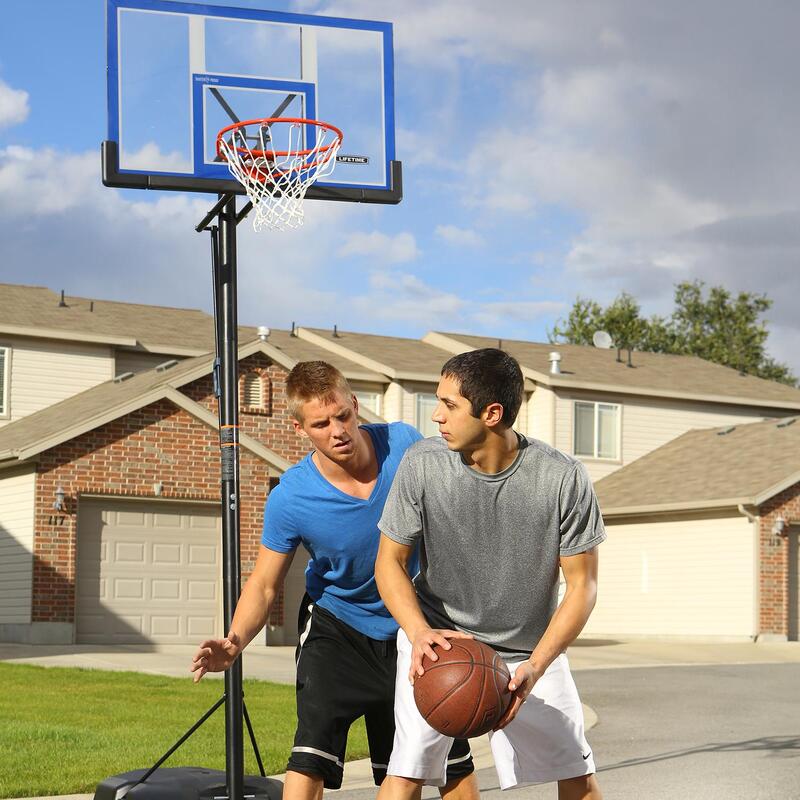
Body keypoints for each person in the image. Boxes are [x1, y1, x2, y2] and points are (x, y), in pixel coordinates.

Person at [190, 361, 477, 800]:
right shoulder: (291, 496)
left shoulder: (404, 445)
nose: (337, 430)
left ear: (356, 406)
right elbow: (265, 583)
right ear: (300, 428)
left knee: (441, 762)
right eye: (321, 423)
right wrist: (234, 641)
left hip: (415, 625)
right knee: (310, 757)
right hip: (337, 629)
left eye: (342, 415)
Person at [375, 348, 605, 800]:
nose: (437, 416)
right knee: (406, 771)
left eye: (450, 405)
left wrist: (537, 666)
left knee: (578, 775)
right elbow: (389, 562)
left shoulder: (562, 478)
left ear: (492, 413)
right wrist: (419, 633)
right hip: (440, 643)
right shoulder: (423, 463)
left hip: (528, 652)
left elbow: (582, 587)